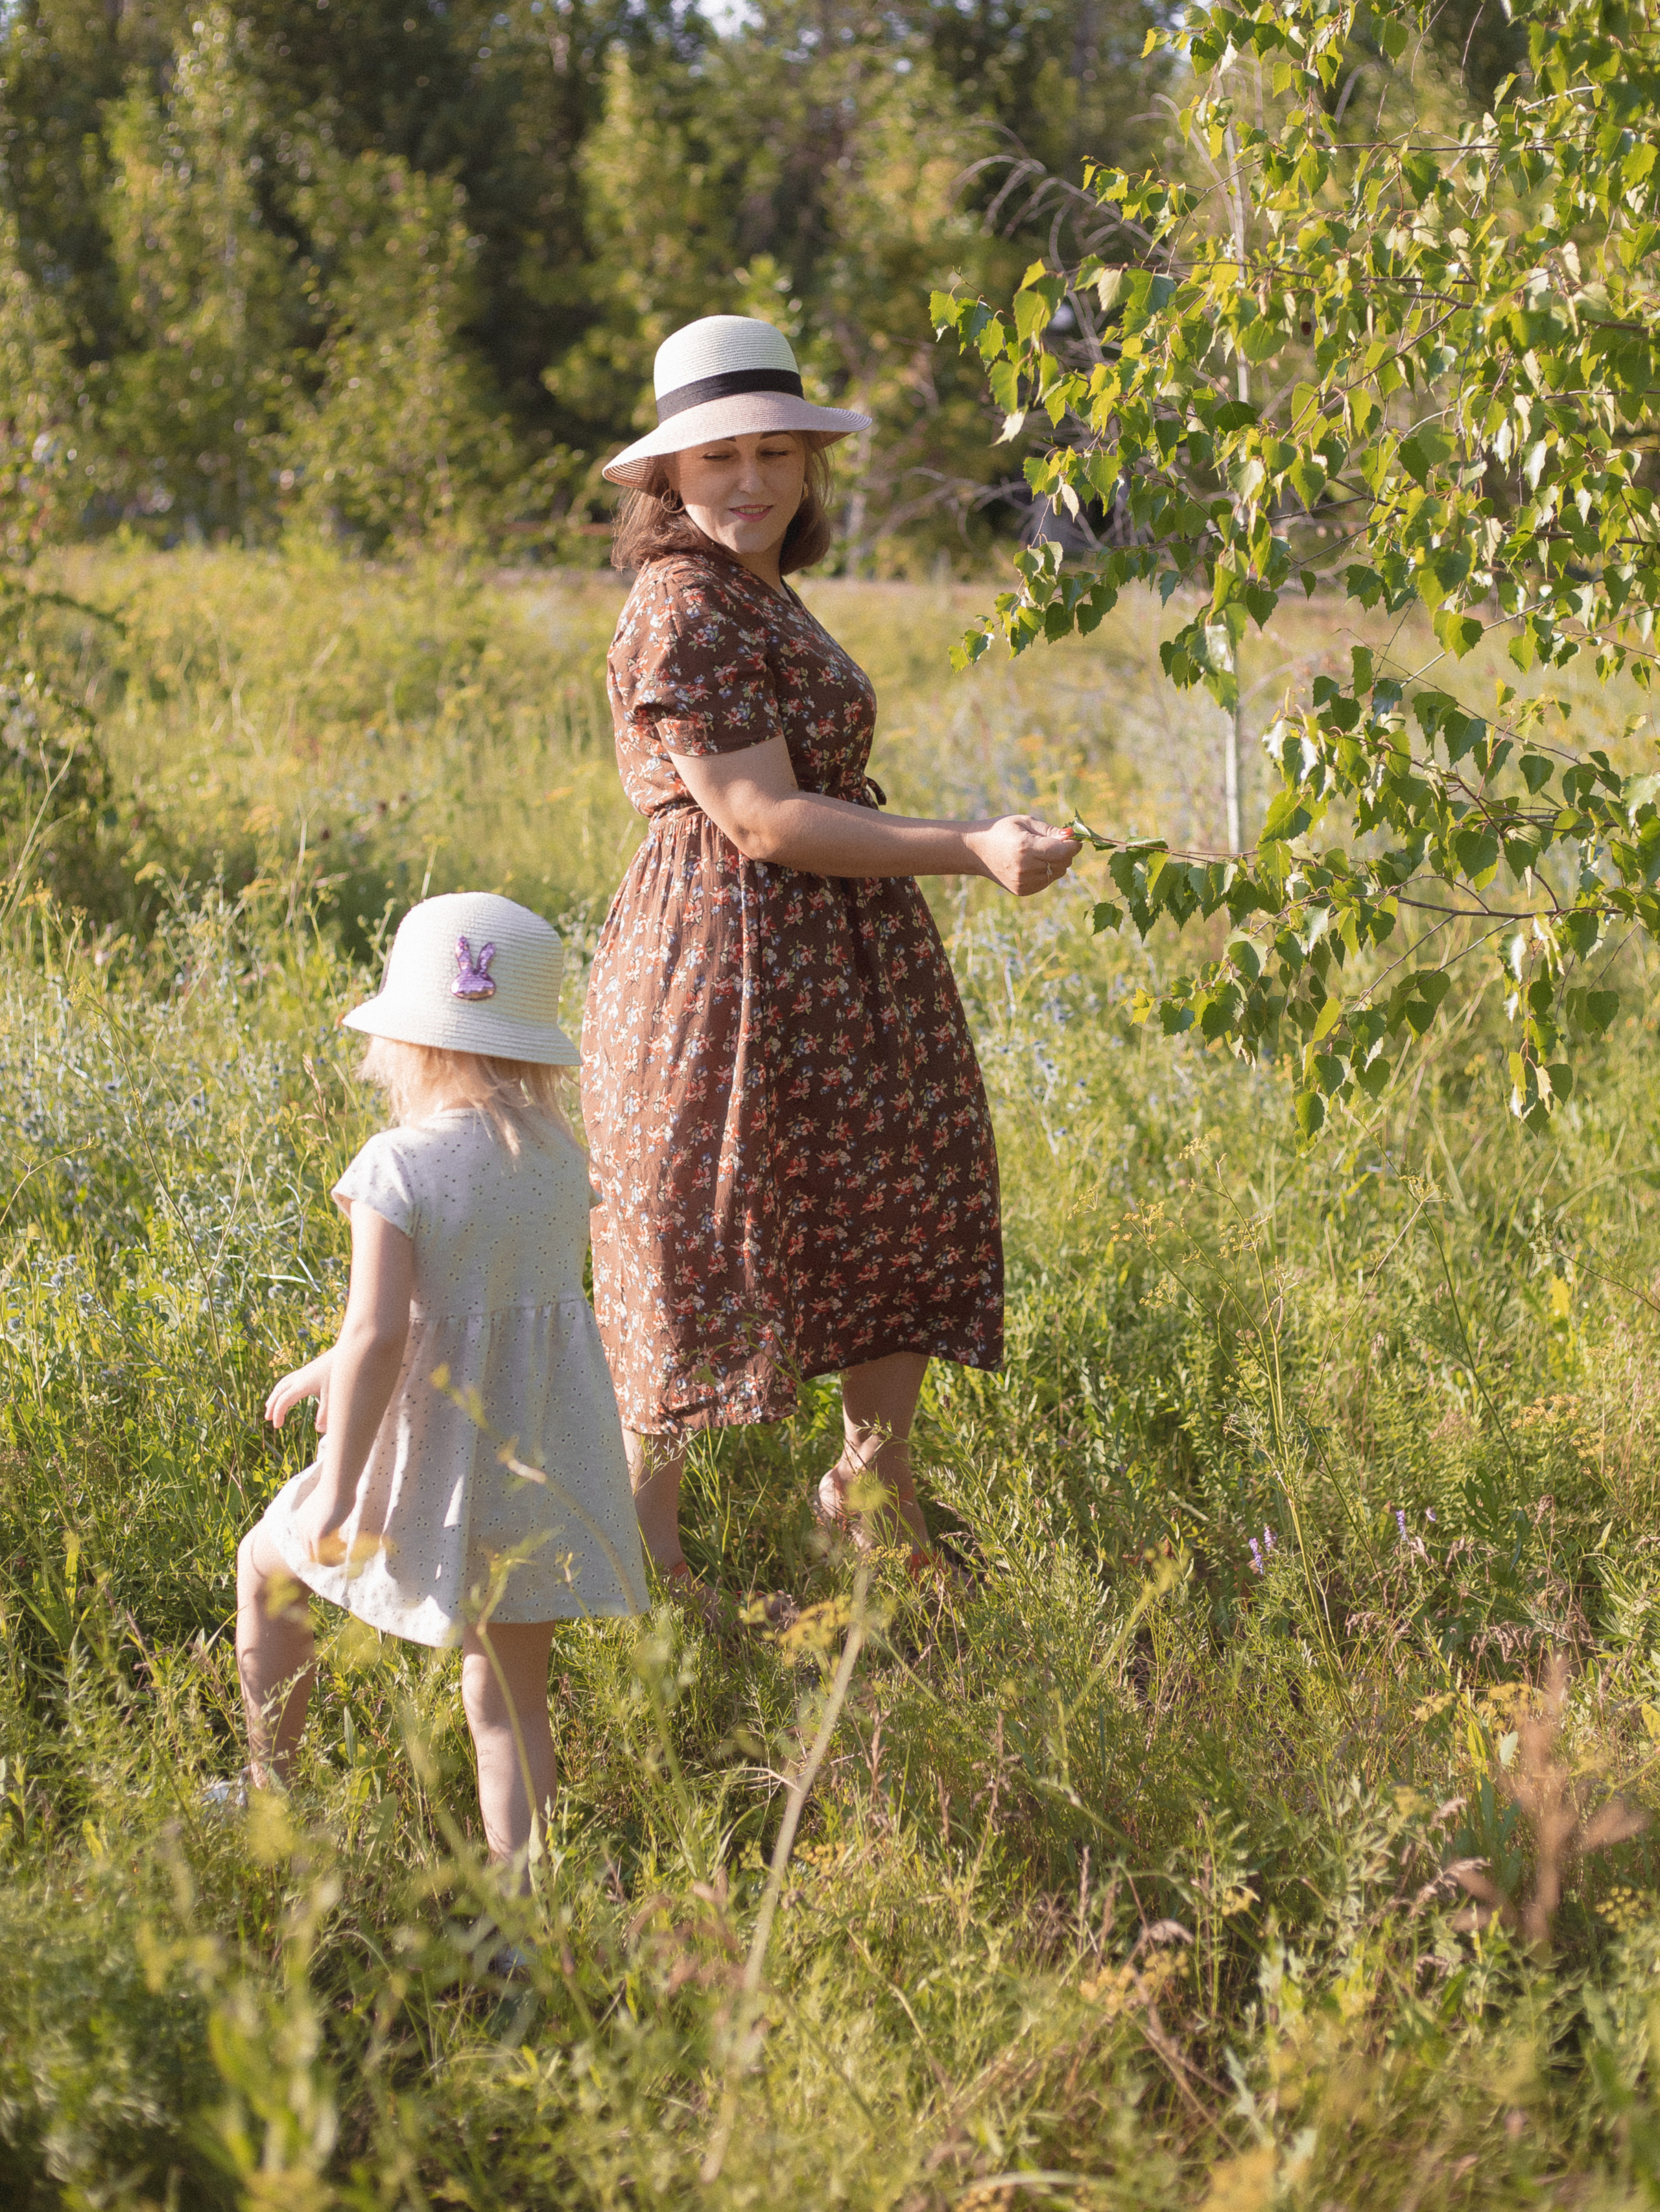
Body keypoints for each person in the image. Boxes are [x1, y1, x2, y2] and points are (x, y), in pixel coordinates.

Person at [583, 314, 1082, 1597]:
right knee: (699, 1229)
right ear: (667, 480)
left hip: (836, 950)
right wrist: (968, 844)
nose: (748, 480)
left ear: (807, 468)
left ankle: (871, 1478)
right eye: (716, 459)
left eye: (774, 453)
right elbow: (755, 818)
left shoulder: (755, 587)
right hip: (726, 962)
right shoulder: (680, 602)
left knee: (895, 1191)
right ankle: (641, 1552)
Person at [235, 891, 646, 1879]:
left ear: (410, 1044)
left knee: (267, 1565)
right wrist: (334, 1357)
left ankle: (270, 1795)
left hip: (435, 1450)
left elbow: (382, 1332)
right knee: (507, 1699)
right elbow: (498, 1293)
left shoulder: (399, 1165)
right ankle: (524, 1915)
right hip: (536, 1448)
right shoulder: (555, 1157)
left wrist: (337, 1489)